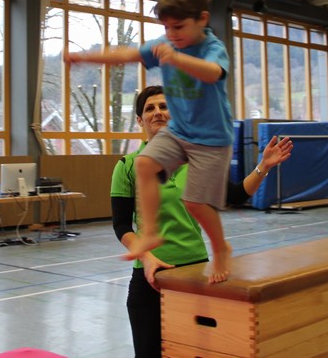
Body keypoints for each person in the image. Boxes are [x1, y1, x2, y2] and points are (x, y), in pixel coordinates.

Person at [68, 0, 235, 283]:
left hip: (211, 140)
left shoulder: (212, 47)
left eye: (179, 27)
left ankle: (220, 247)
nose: (172, 34)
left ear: (202, 19)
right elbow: (126, 55)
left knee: (194, 202)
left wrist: (177, 59)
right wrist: (85, 58)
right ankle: (150, 234)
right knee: (144, 164)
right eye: (167, 27)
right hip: (179, 132)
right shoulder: (165, 43)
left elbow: (213, 73)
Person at [112, 86, 293, 357]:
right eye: (150, 108)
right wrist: (147, 259)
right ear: (140, 120)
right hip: (150, 277)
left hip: (196, 273)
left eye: (164, 106)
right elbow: (122, 225)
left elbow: (235, 194)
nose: (158, 112)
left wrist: (263, 166)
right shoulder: (127, 166)